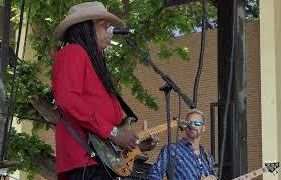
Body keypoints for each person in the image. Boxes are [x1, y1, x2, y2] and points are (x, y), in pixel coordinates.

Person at [52, 1, 158, 180]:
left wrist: (135, 145)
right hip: (85, 162)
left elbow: (106, 132)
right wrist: (114, 132)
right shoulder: (73, 52)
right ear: (86, 27)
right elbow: (68, 99)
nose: (110, 31)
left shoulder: (93, 60)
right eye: (104, 26)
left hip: (100, 162)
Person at [147, 109, 216, 180]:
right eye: (189, 123)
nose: (192, 126)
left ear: (203, 128)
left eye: (197, 123)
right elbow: (154, 175)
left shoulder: (207, 155)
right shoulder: (172, 149)